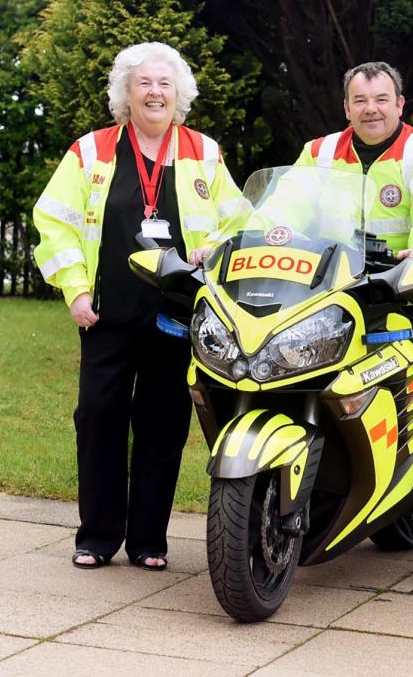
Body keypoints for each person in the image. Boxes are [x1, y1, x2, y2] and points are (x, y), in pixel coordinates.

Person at [32, 42, 246, 570]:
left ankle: (149, 541)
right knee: (98, 416)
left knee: (163, 424)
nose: (155, 92)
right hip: (106, 312)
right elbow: (53, 221)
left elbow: (239, 219)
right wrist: (75, 290)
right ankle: (98, 536)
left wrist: (214, 247)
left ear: (180, 94)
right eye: (144, 83)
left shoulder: (205, 152)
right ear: (125, 94)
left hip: (177, 314)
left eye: (164, 84)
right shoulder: (91, 151)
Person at [293, 61, 413, 578]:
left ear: (401, 104)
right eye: (360, 100)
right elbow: (281, 211)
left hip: (401, 295)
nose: (370, 109)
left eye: (381, 99)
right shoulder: (320, 153)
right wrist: (254, 238)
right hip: (329, 298)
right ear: (346, 107)